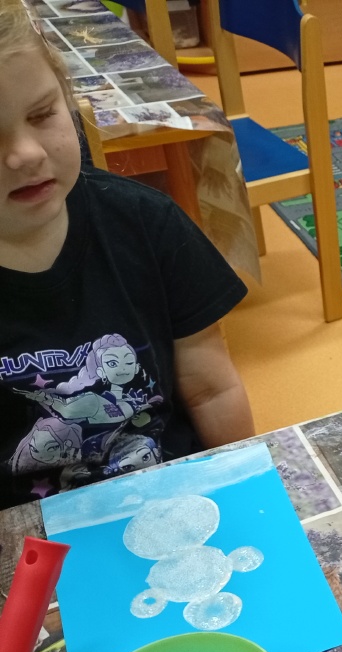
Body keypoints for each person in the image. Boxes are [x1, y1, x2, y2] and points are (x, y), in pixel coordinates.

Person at [0, 0, 254, 508]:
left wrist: (245, 492)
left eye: (43, 114)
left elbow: (211, 389)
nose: (26, 153)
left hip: (166, 493)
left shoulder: (147, 222)